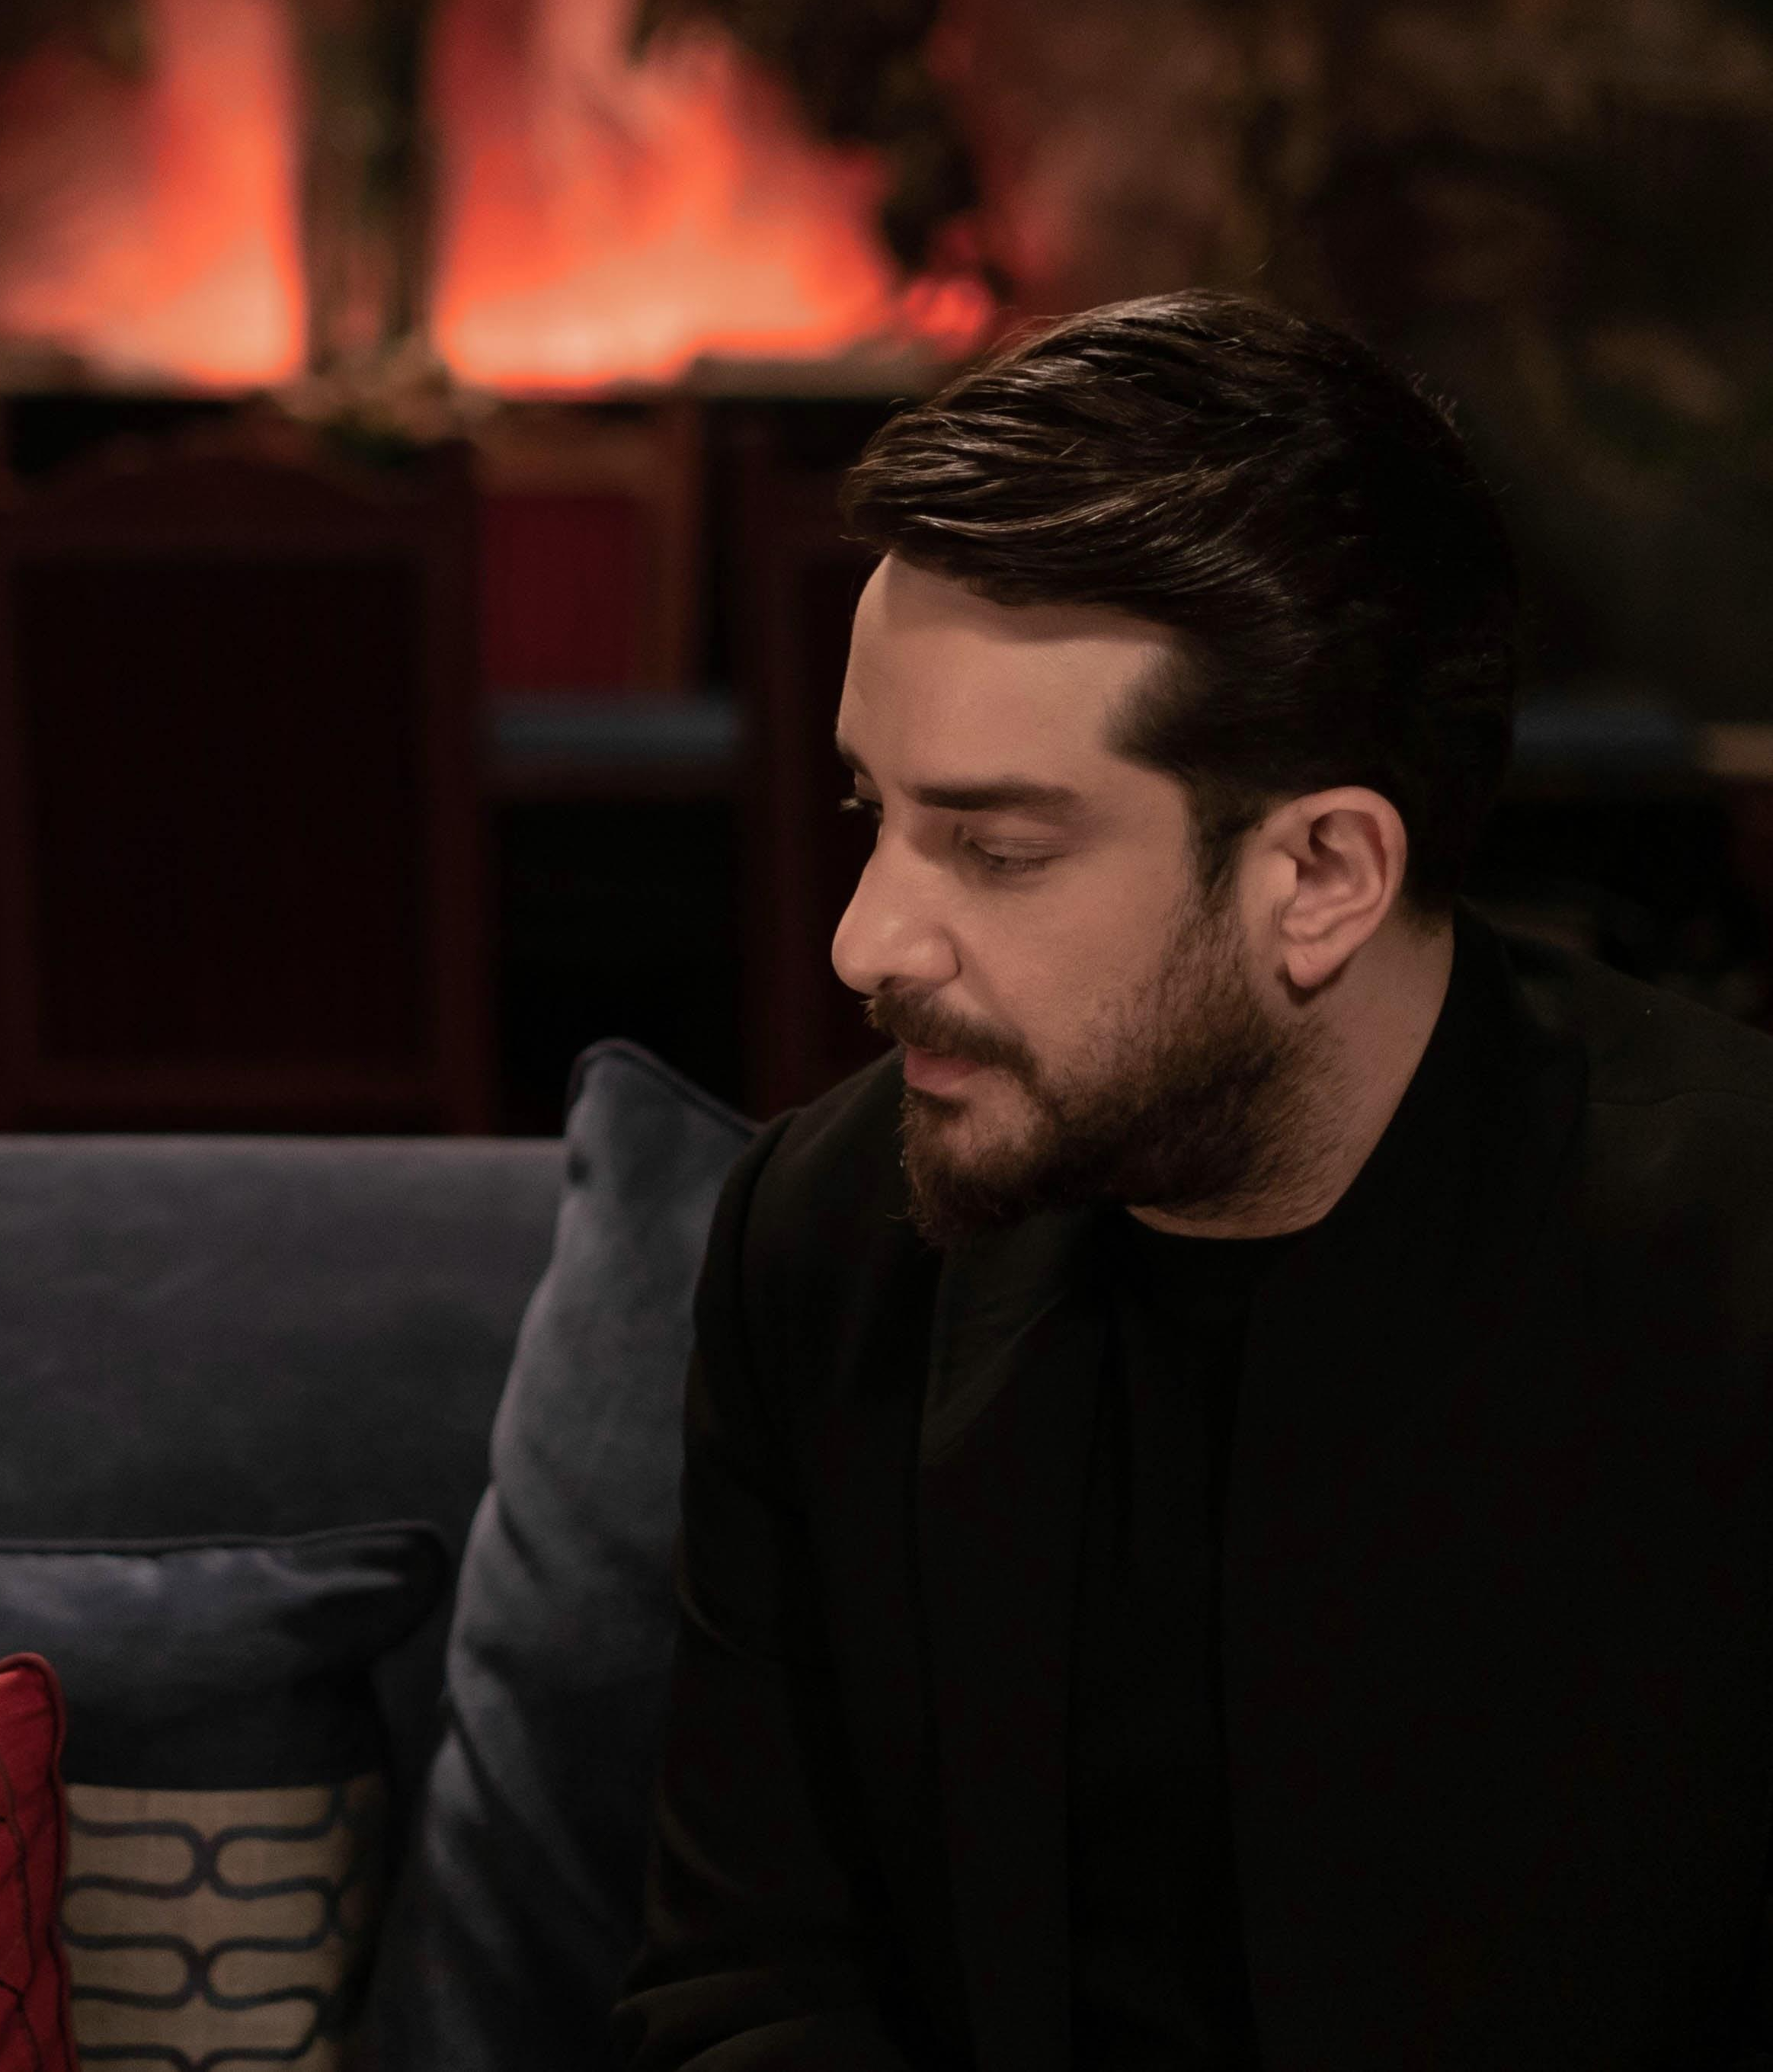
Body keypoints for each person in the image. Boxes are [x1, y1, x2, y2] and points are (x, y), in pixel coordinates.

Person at [617, 290, 1773, 2070]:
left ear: (1322, 876)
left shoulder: (1734, 1277)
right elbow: (748, 1987)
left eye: (998, 847)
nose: (864, 940)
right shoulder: (824, 1247)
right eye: (871, 813)